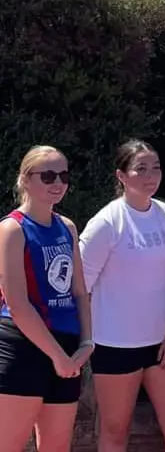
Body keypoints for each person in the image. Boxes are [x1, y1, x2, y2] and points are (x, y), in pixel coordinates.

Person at [80, 140, 165, 452]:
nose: (150, 176)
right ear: (121, 175)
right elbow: (80, 287)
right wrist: (87, 341)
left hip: (163, 345)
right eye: (140, 169)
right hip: (115, 346)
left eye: (155, 168)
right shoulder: (106, 223)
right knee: (115, 432)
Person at [0, 146, 93, 452]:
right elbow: (17, 303)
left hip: (66, 346)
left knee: (56, 446)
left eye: (64, 176)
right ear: (26, 180)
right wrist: (57, 357)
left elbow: (79, 292)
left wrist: (86, 343)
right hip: (22, 345)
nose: (58, 183)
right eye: (49, 175)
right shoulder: (11, 229)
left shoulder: (67, 227)